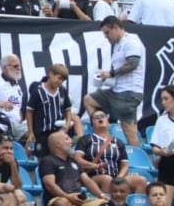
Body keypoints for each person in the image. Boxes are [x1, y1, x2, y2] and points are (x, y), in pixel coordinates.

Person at [84, 17, 145, 147]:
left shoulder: (131, 42)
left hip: (128, 92)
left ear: (116, 27)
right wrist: (108, 77)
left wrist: (111, 74)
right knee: (89, 100)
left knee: (129, 131)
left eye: (107, 32)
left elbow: (133, 64)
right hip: (117, 90)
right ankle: (102, 134)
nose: (106, 37)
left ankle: (134, 156)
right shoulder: (118, 44)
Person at [75, 110, 148, 194]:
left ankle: (133, 201)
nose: (100, 118)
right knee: (106, 179)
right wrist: (94, 166)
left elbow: (124, 165)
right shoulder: (85, 139)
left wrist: (119, 177)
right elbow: (77, 159)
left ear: (108, 122)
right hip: (93, 177)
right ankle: (107, 200)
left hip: (115, 176)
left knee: (140, 180)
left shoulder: (118, 141)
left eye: (102, 116)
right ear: (92, 124)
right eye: (96, 117)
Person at [38, 132, 107, 206]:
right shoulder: (48, 161)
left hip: (79, 199)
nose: (71, 141)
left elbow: (88, 181)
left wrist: (102, 196)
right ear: (58, 144)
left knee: (104, 203)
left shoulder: (73, 161)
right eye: (67, 139)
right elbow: (49, 184)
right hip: (59, 198)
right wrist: (67, 197)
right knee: (62, 202)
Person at [27, 63, 80, 157]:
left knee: (61, 156)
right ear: (51, 74)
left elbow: (68, 109)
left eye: (63, 80)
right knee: (42, 157)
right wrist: (31, 132)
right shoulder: (38, 91)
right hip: (42, 132)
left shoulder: (62, 90)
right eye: (59, 78)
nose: (60, 82)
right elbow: (29, 111)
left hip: (58, 131)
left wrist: (68, 123)